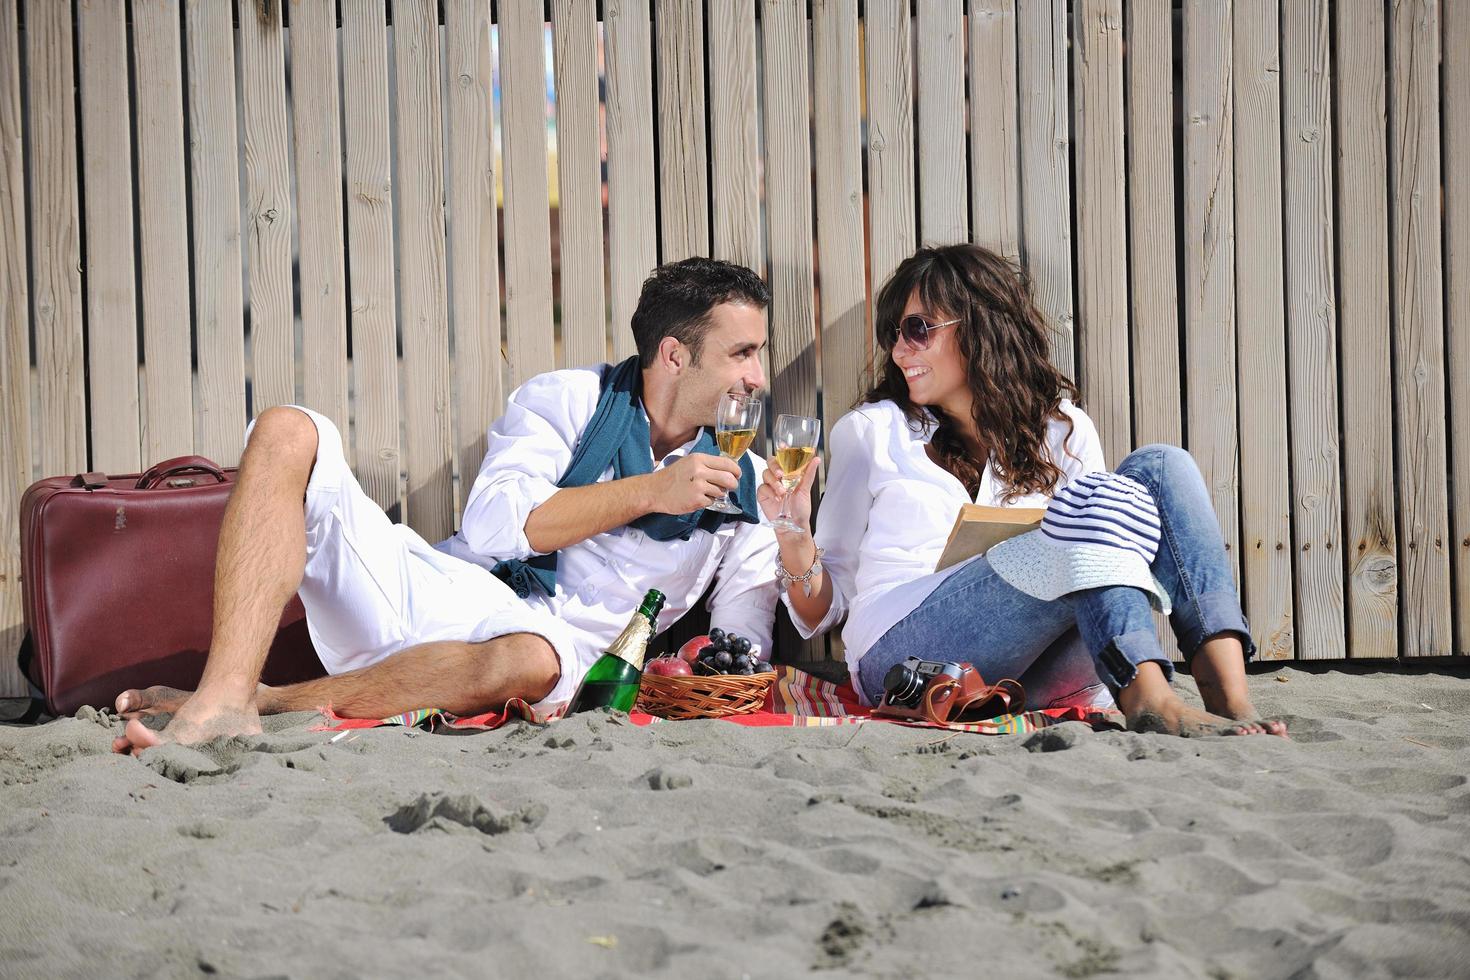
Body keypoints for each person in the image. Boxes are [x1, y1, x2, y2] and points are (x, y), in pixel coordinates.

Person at [113, 258, 779, 754]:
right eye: (742, 353)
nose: (758, 376)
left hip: (542, 659)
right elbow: (494, 525)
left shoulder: (744, 483)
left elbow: (739, 645)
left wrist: (792, 540)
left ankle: (250, 701)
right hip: (441, 591)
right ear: (674, 355)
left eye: (760, 353)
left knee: (535, 658)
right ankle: (226, 688)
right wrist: (649, 492)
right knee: (289, 429)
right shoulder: (569, 401)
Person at [758, 244, 1286, 737]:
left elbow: (1108, 554)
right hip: (910, 662)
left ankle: (1229, 695)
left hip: (1045, 665)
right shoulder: (873, 432)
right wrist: (792, 533)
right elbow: (819, 615)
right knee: (1089, 508)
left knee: (1163, 466)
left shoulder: (1065, 429)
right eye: (893, 334)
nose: (900, 351)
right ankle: (1148, 697)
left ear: (981, 329)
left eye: (918, 329)